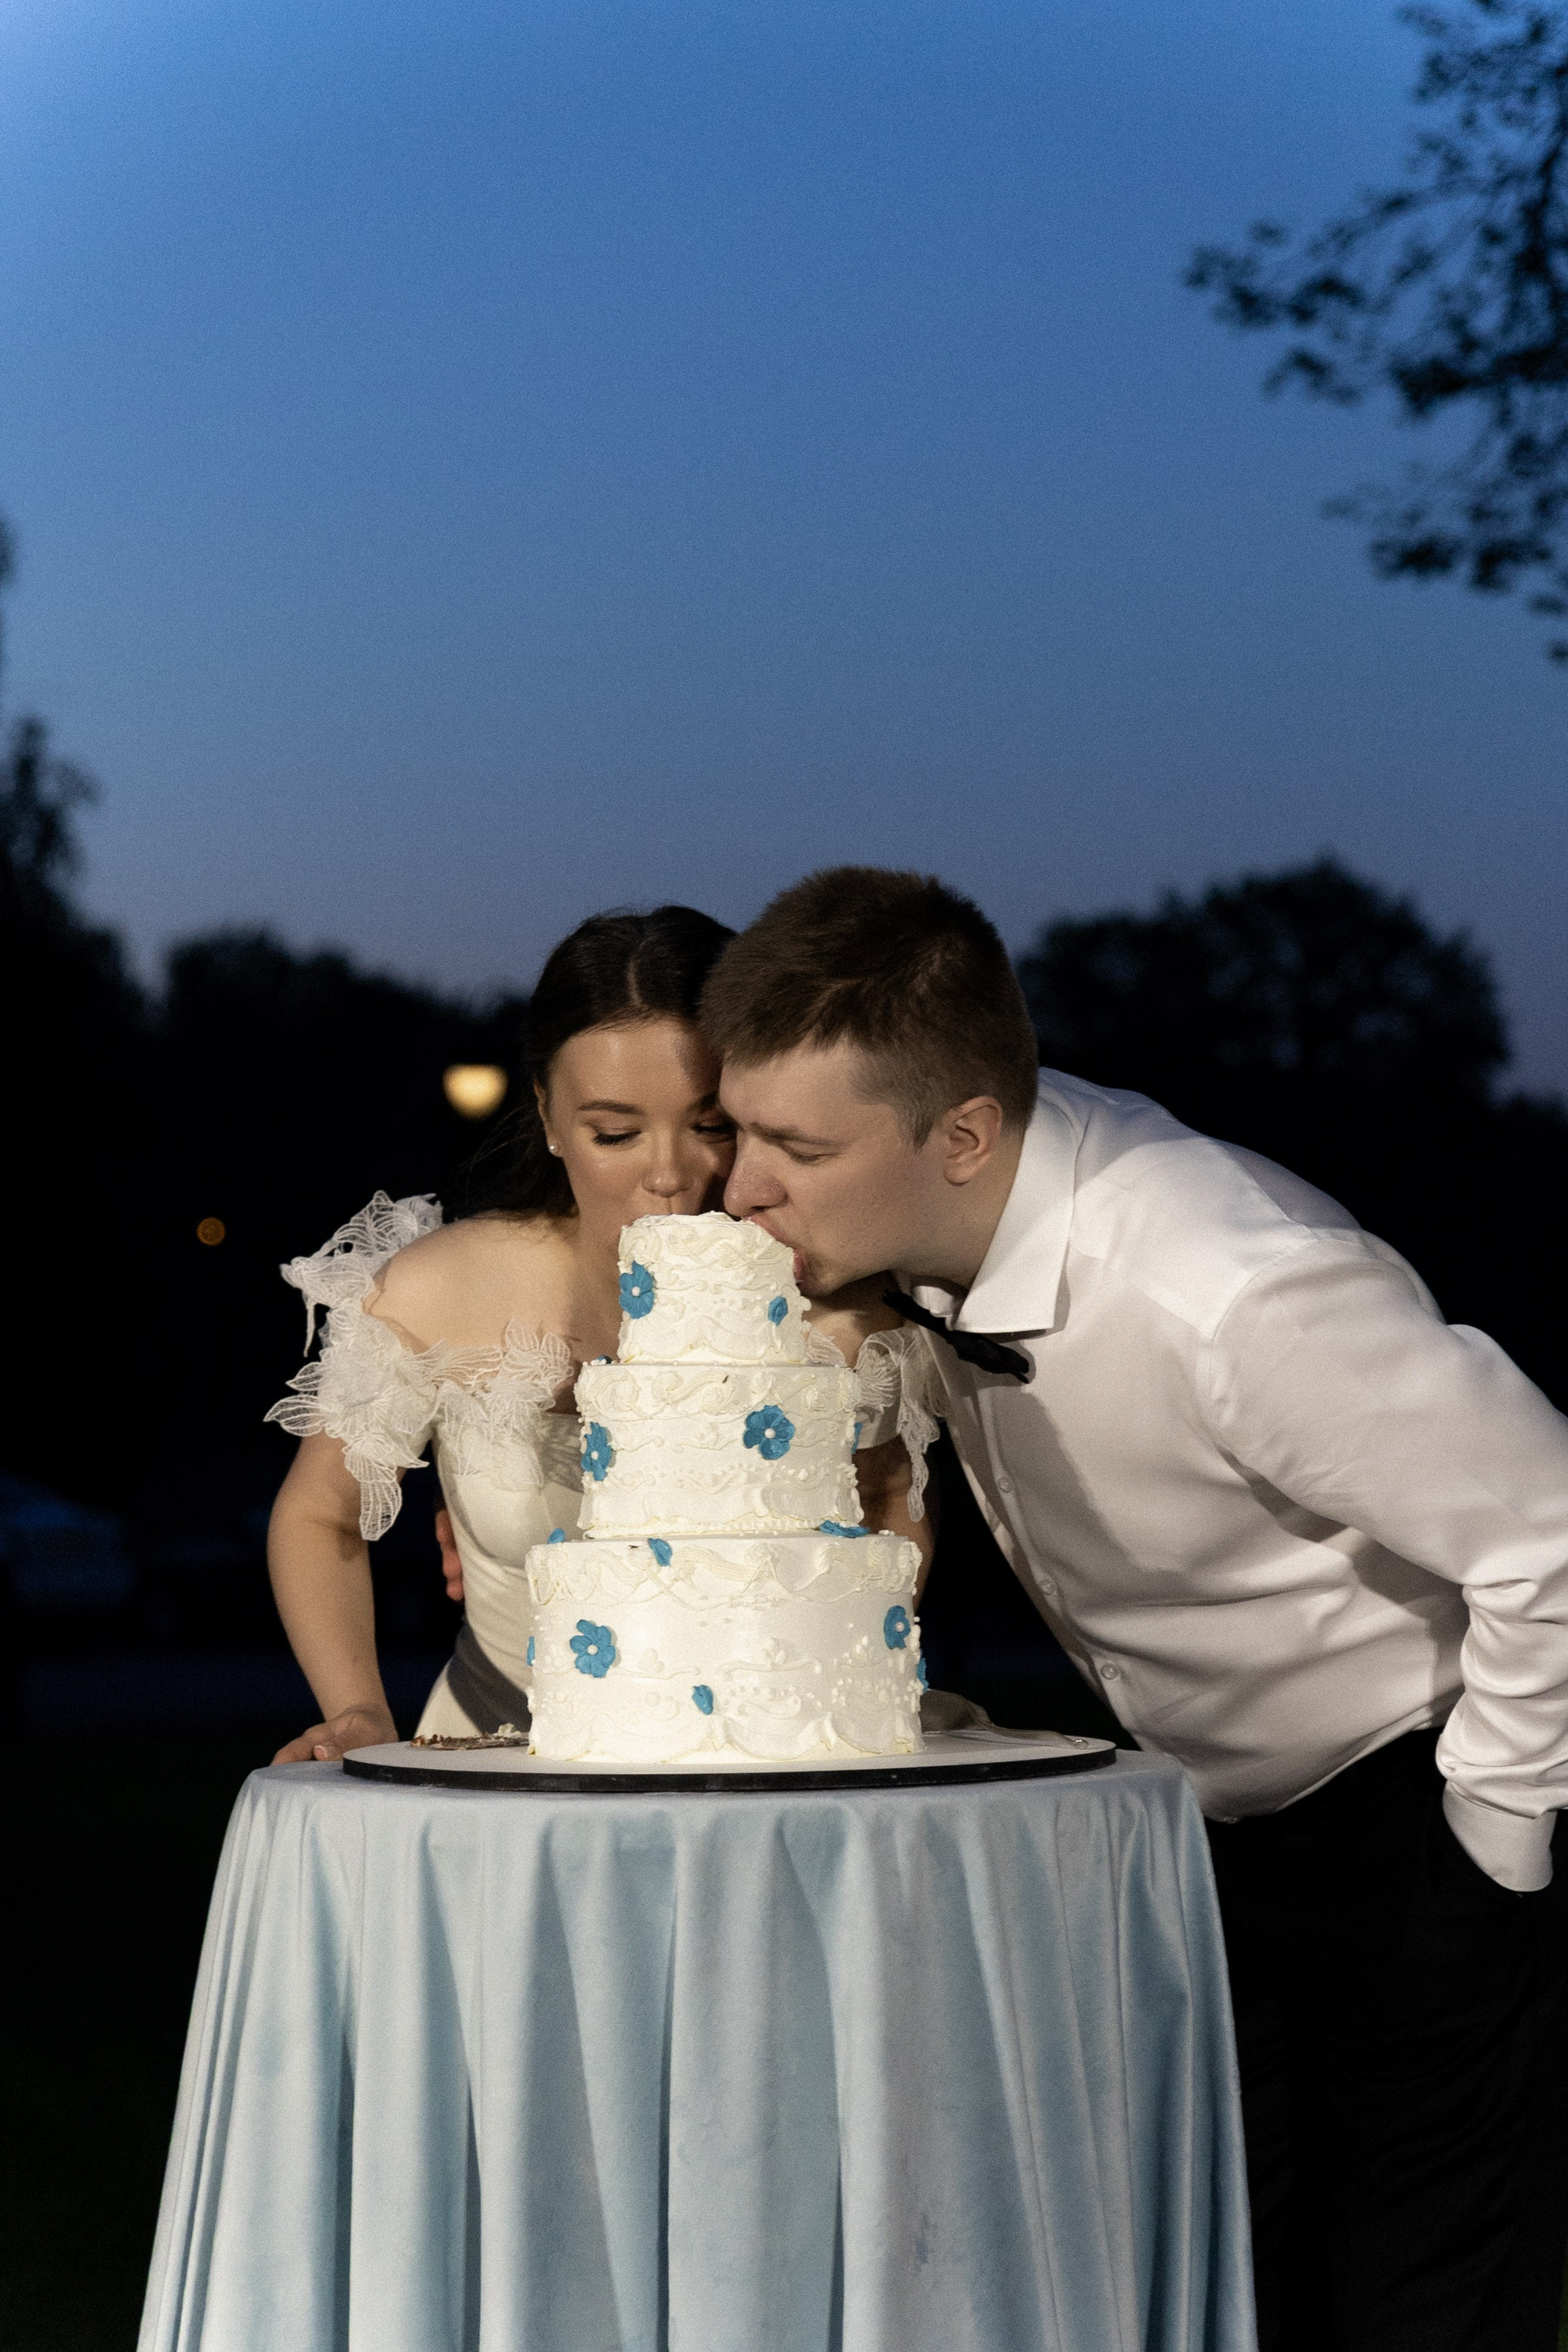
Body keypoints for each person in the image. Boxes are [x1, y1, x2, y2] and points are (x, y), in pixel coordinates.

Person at [703, 864, 1568, 2352]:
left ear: (966, 1136)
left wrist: (1484, 1860)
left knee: (1414, 2305)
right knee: (1232, 2290)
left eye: (794, 1146)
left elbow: (1551, 1528)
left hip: (1419, 1809)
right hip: (1202, 1840)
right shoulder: (929, 1211)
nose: (741, 1188)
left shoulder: (1225, 1287)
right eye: (739, 1131)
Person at [265, 904, 928, 1765]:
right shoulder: (440, 1294)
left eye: (711, 1125)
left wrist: (824, 1674)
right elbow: (320, 1513)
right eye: (614, 1133)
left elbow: (889, 1502)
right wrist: (357, 1709)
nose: (668, 1174)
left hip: (779, 1765)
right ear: (546, 1116)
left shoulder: (847, 1315)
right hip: (491, 1745)